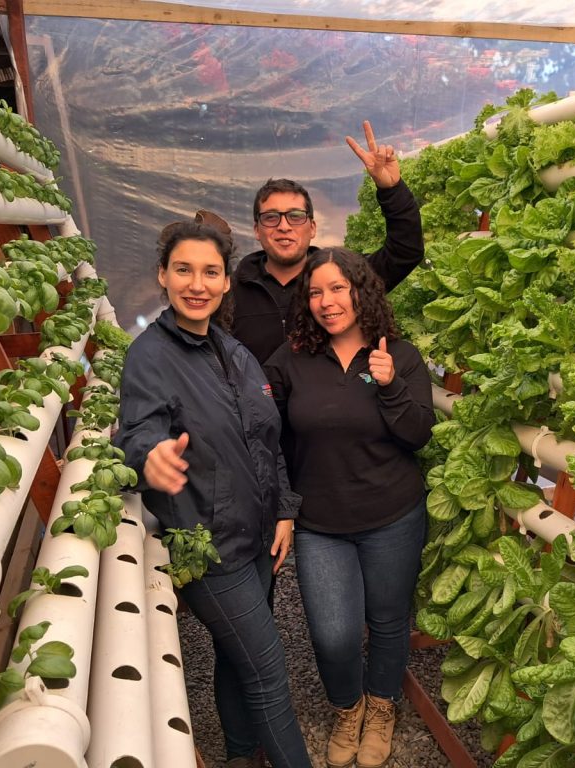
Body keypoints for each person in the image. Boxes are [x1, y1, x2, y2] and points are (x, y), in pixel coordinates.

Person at [114, 217, 312, 768]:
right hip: (209, 546)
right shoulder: (150, 355)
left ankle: (241, 756)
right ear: (163, 275)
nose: (196, 284)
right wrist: (149, 457)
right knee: (269, 674)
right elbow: (138, 432)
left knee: (236, 656)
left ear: (226, 281)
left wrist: (284, 510)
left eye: (210, 272)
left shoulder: (233, 351)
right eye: (184, 270)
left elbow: (266, 437)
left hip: (257, 537)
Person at [264, 246, 435, 768]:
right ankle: (348, 707)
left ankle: (381, 707)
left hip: (393, 516)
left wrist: (390, 385)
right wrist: (283, 506)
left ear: (362, 292)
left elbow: (418, 434)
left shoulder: (400, 355)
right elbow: (266, 438)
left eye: (338, 288)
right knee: (333, 634)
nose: (326, 301)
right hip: (320, 524)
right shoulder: (290, 359)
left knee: (387, 620)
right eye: (316, 292)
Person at [231, 120, 424, 365]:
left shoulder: (347, 278)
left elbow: (405, 251)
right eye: (271, 217)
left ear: (312, 227)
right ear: (256, 230)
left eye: (295, 216)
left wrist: (391, 189)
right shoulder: (230, 290)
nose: (284, 226)